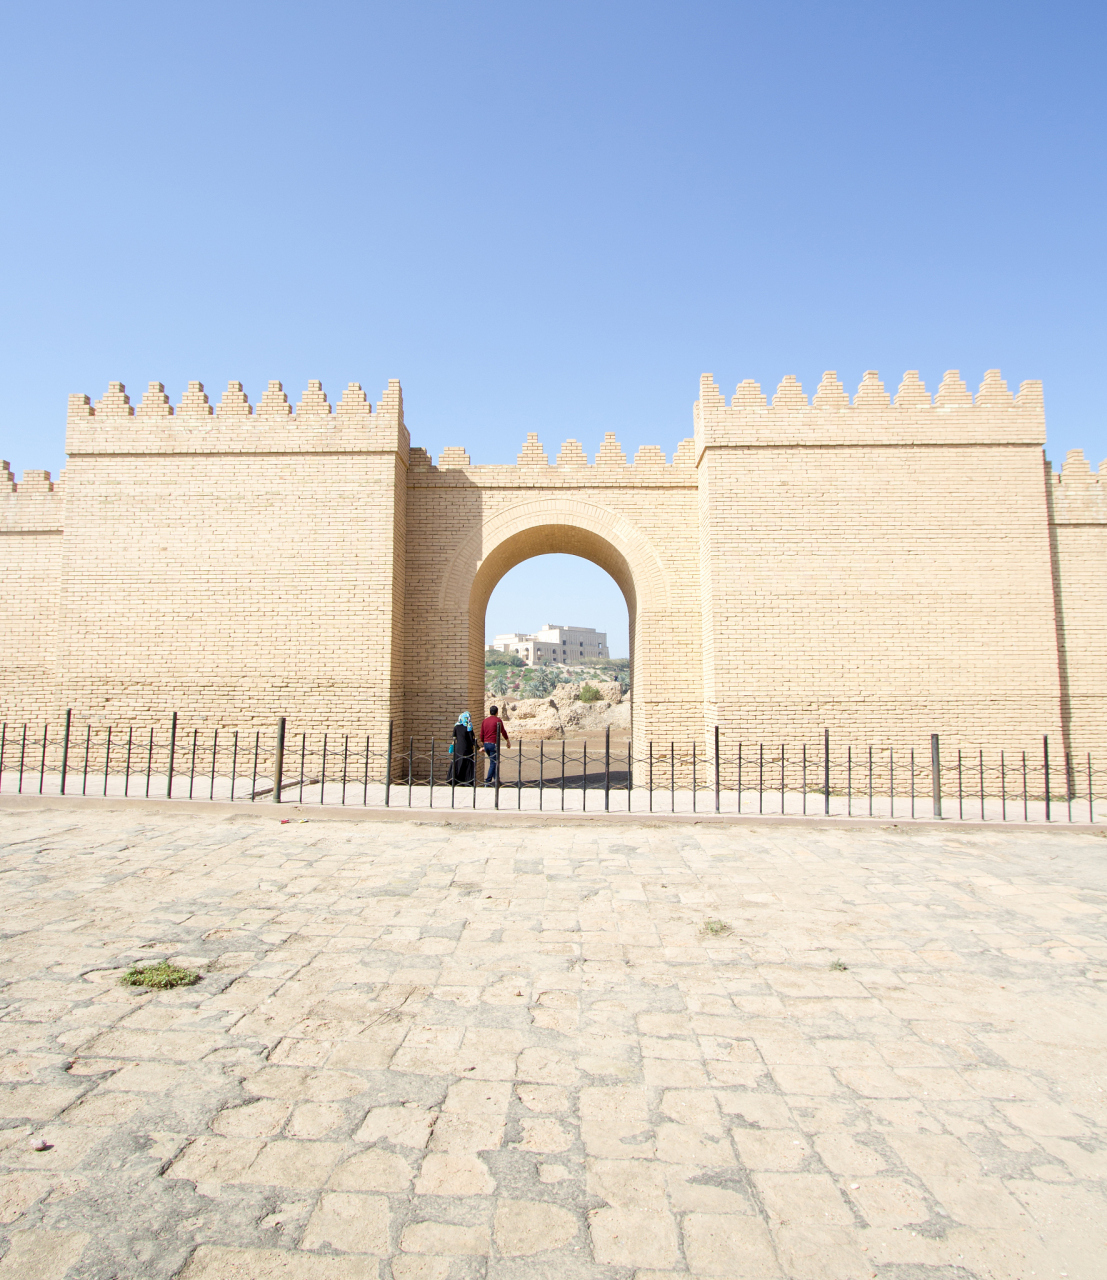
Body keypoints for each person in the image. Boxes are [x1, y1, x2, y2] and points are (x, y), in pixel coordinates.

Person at [480, 704, 510, 785]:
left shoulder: (485, 721)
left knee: (493, 762)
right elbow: (503, 731)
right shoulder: (498, 720)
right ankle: (488, 781)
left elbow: (481, 734)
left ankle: (497, 780)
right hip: (493, 744)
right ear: (497, 712)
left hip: (486, 744)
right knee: (493, 763)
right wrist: (507, 741)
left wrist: (483, 745)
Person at [446, 711, 475, 785]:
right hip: (467, 750)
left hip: (458, 749)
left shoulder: (456, 726)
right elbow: (472, 740)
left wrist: (452, 747)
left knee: (458, 764)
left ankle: (454, 781)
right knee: (467, 766)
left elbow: (454, 739)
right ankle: (466, 782)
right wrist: (478, 747)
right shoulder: (469, 727)